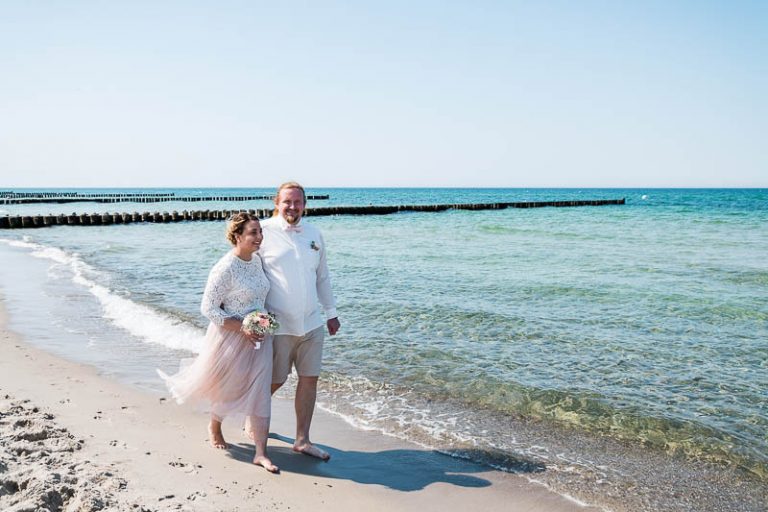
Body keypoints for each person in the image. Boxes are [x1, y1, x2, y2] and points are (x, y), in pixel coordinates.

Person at [158, 213, 278, 473]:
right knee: (229, 388)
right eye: (253, 233)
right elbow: (208, 308)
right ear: (238, 237)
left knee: (260, 390)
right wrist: (243, 327)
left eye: (260, 232)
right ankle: (215, 425)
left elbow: (259, 298)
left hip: (259, 336)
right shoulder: (225, 267)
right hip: (231, 338)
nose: (259, 237)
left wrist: (264, 322)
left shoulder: (257, 261)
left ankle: (261, 452)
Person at [259, 182, 340, 461]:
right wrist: (250, 316)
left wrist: (331, 312)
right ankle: (252, 418)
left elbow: (323, 277)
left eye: (298, 202)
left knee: (310, 379)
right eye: (287, 202)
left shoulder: (315, 234)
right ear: (276, 203)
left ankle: (302, 440)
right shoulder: (263, 232)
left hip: (312, 323)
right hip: (278, 324)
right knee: (274, 380)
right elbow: (248, 272)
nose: (293, 207)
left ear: (305, 204)